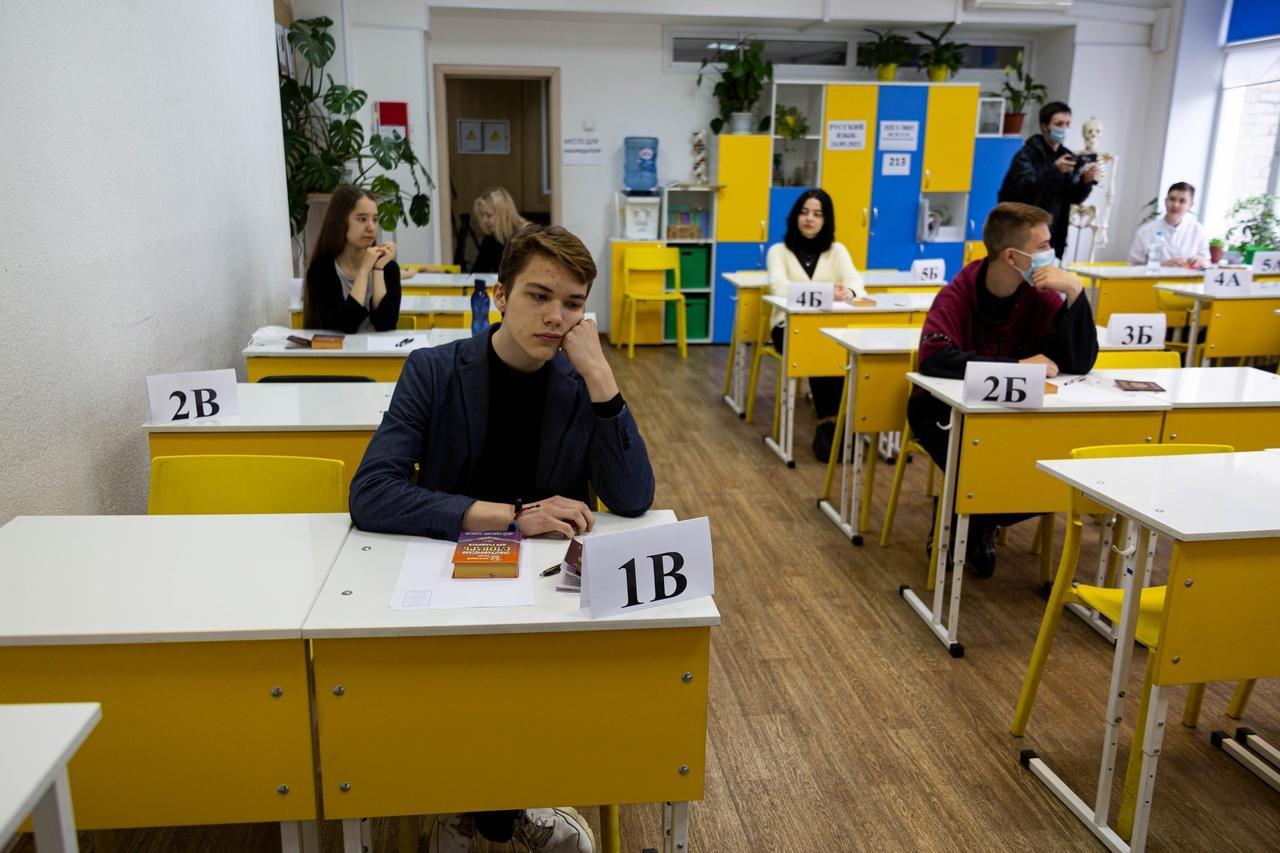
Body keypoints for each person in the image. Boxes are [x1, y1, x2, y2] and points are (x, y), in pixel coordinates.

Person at [349, 223, 653, 853]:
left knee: (541, 676)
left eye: (572, 304)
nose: (556, 317)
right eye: (539, 296)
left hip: (548, 598)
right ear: (499, 296)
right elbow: (371, 492)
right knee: (471, 675)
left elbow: (632, 497)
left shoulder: (580, 381)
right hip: (447, 581)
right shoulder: (434, 371)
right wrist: (511, 517)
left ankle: (491, 800)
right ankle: (485, 796)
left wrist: (602, 377)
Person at [908, 202, 1098, 577]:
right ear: (1012, 256)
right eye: (1042, 246)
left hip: (1015, 411)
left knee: (1048, 472)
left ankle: (974, 517)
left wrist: (1075, 291)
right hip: (941, 410)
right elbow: (934, 357)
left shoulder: (1040, 295)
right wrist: (1015, 366)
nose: (1051, 253)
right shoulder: (958, 293)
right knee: (984, 462)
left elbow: (1078, 362)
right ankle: (973, 514)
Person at [765, 189, 868, 462]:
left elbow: (857, 284)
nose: (809, 219)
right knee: (822, 347)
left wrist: (848, 293)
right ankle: (829, 424)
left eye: (817, 214)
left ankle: (837, 424)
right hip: (787, 327)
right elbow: (779, 287)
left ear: (826, 220)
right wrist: (826, 291)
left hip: (828, 328)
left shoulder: (837, 251)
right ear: (795, 216)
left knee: (834, 346)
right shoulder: (779, 251)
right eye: (804, 212)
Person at [997, 101, 1101, 259]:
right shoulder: (1027, 155)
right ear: (1044, 127)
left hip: (1055, 234)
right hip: (1024, 233)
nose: (1064, 128)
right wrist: (1054, 170)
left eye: (1067, 124)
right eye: (1059, 124)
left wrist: (1086, 182)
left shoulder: (1067, 156)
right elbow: (1022, 189)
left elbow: (1074, 197)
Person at [302, 185, 401, 333]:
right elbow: (345, 326)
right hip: (338, 349)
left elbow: (386, 324)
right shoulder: (321, 269)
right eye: (362, 219)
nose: (371, 227)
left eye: (375, 219)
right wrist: (364, 271)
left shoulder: (388, 267)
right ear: (340, 222)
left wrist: (378, 269)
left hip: (377, 349)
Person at [1127, 182, 1210, 268]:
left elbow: (1207, 262)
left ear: (1190, 205)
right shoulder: (1145, 231)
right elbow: (1133, 265)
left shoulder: (1198, 230)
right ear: (1165, 201)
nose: (1175, 205)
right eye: (1172, 199)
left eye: (1182, 201)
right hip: (1154, 277)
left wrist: (1200, 262)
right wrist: (1160, 266)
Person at [471, 186, 530, 273]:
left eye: (489, 215)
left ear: (505, 213)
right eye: (482, 215)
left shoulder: (527, 237)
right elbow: (478, 273)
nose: (484, 221)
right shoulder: (489, 240)